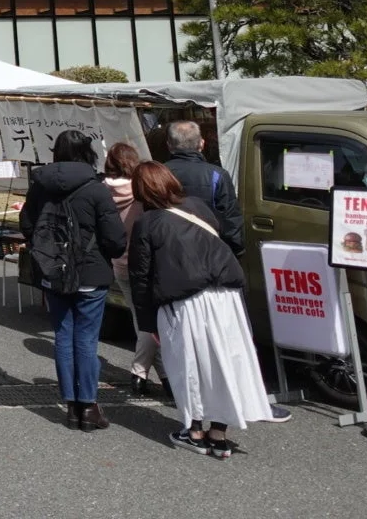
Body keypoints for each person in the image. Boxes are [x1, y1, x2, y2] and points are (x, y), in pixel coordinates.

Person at [129, 162, 272, 460]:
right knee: (224, 362)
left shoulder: (148, 223)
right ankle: (219, 434)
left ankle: (194, 431)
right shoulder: (198, 207)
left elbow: (140, 277)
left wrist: (148, 323)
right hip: (226, 295)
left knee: (189, 365)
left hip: (184, 300)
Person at [20, 129, 126, 432]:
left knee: (64, 336)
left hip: (53, 270)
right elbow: (115, 239)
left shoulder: (39, 185)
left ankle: (71, 406)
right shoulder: (96, 189)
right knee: (86, 339)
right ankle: (89, 406)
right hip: (90, 272)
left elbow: (27, 224)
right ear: (87, 153)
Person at [104, 141, 162, 397]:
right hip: (146, 262)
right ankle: (139, 372)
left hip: (119, 262)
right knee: (149, 322)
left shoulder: (102, 191)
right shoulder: (142, 188)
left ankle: (164, 376)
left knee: (143, 320)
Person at [162, 120, 244, 256]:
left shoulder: (158, 173)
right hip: (210, 249)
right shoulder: (218, 175)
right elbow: (230, 219)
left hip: (170, 248)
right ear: (202, 143)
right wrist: (236, 250)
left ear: (169, 145)